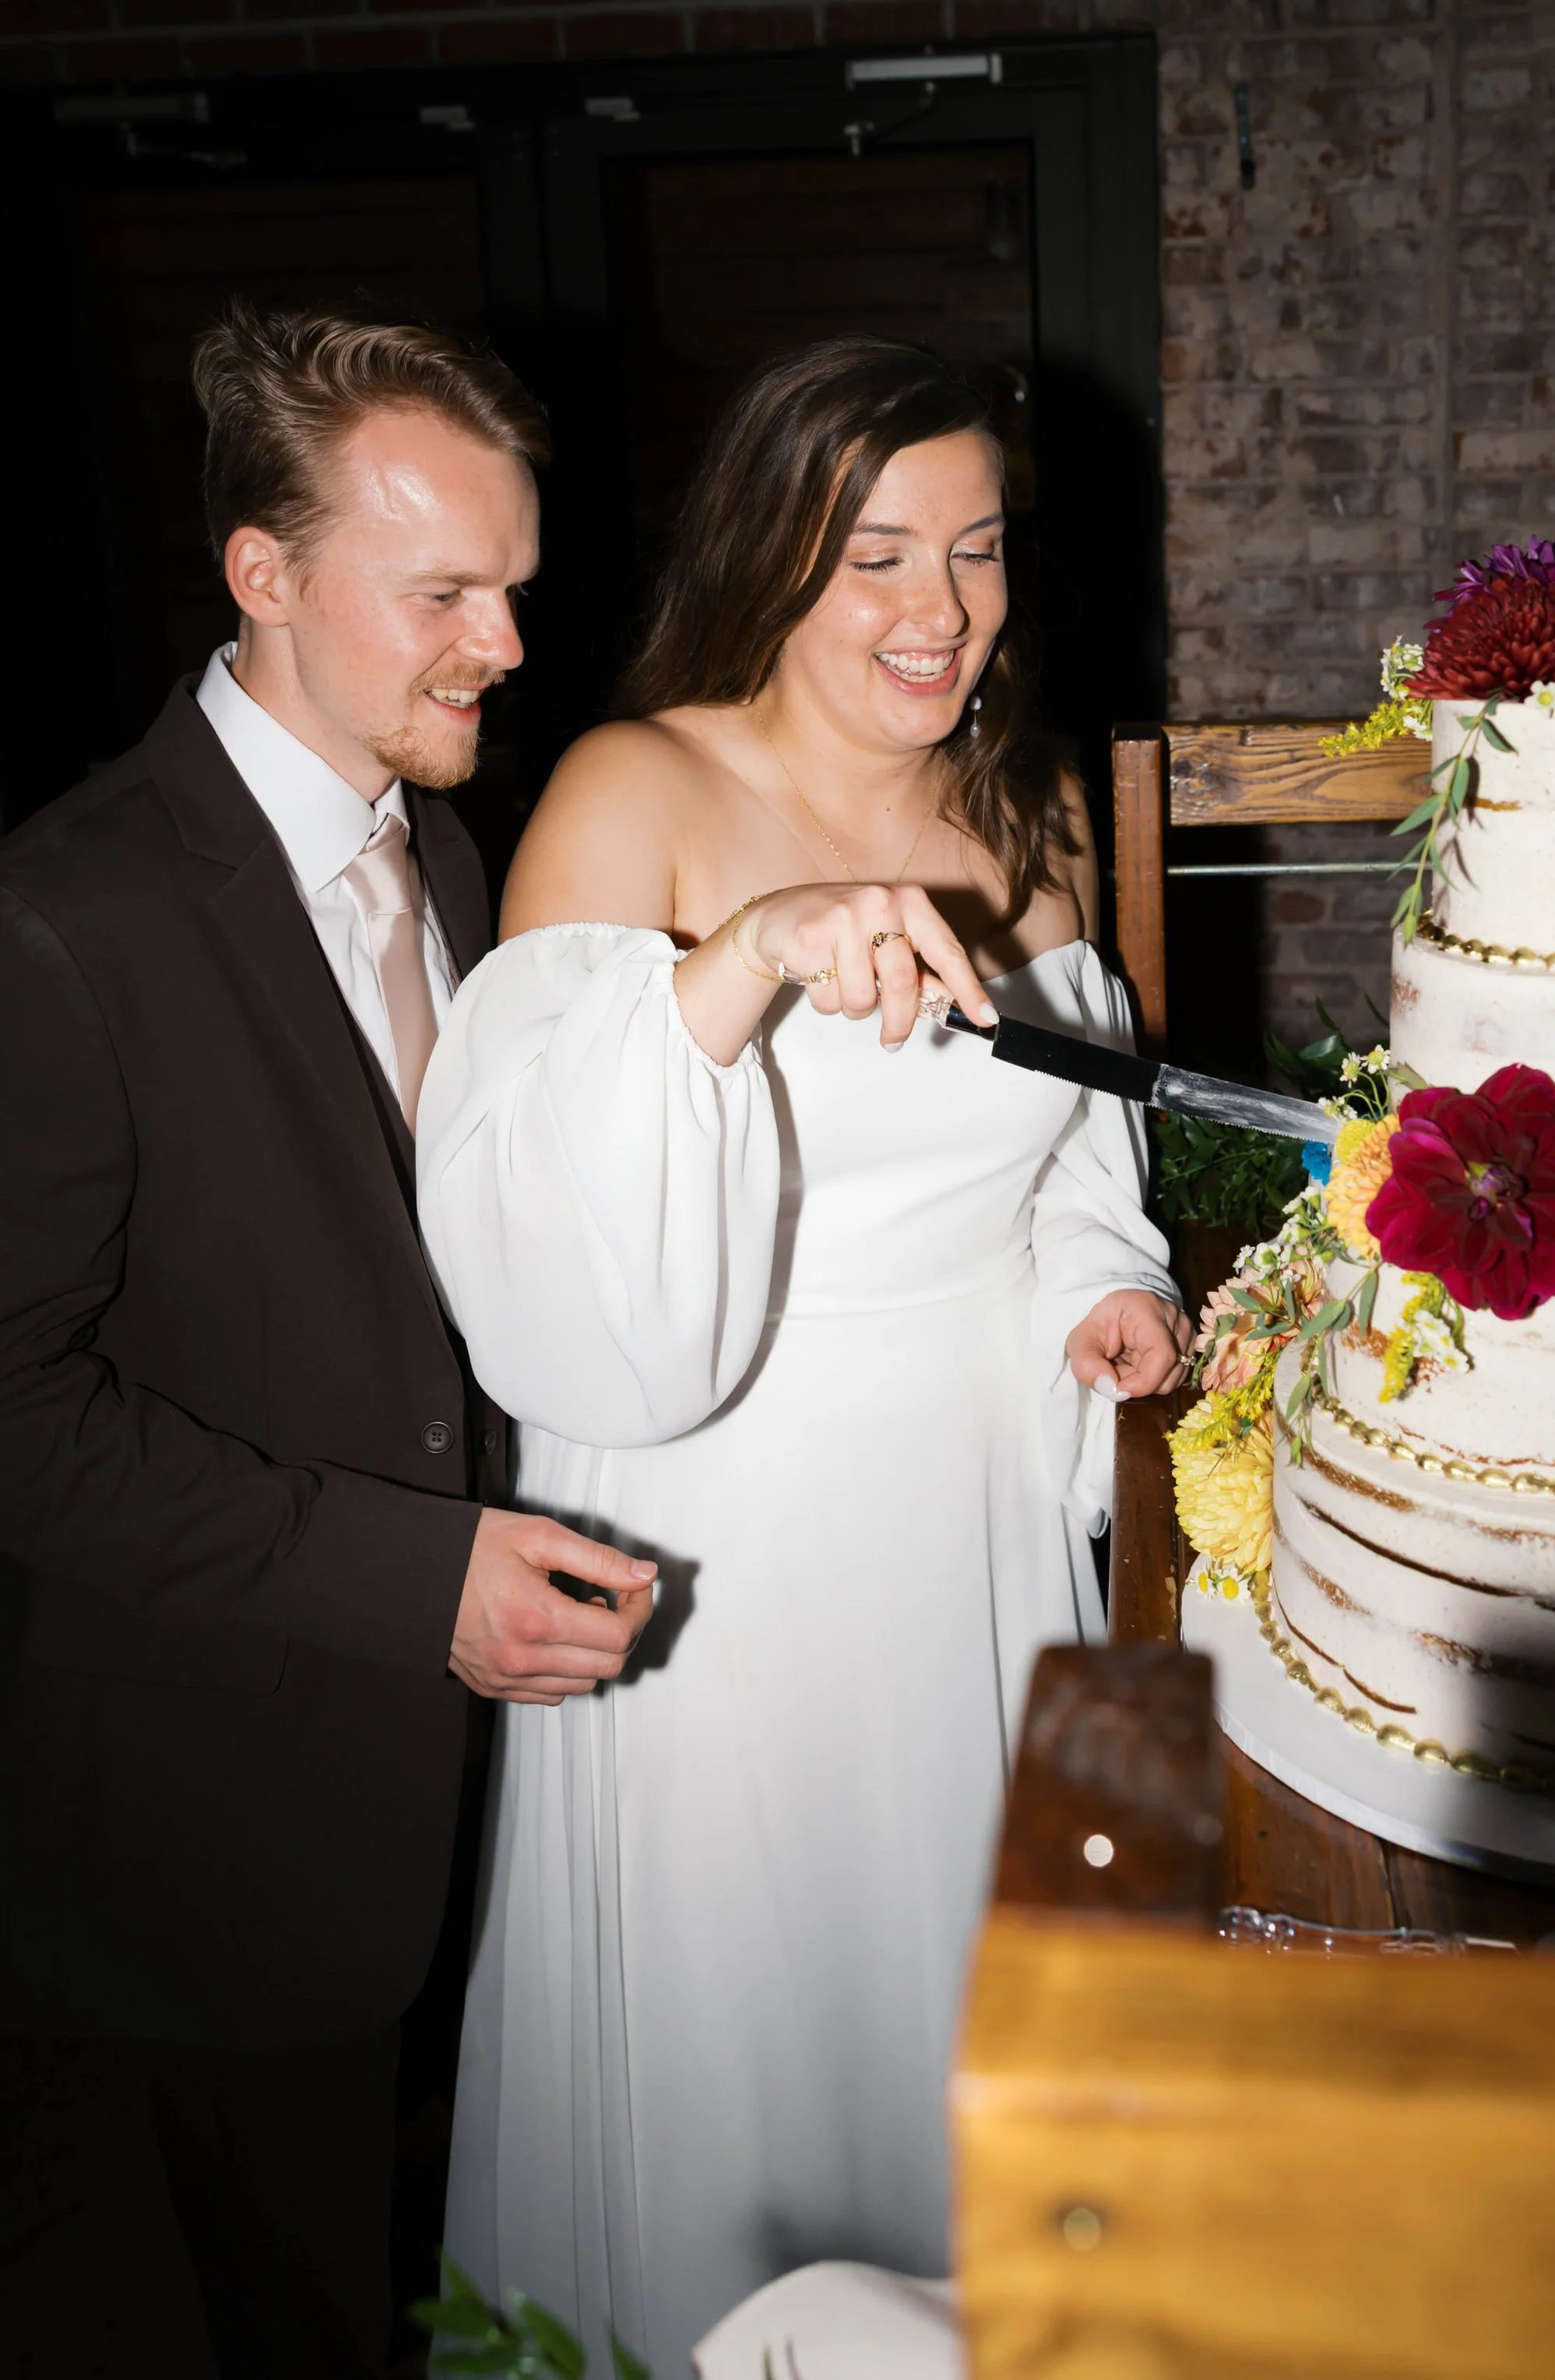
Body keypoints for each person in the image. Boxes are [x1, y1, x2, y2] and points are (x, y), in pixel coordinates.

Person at [417, 336, 1191, 2375]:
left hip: (973, 1537)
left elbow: (1065, 1165)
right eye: (873, 554)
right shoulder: (633, 785)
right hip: (721, 1546)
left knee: (947, 2003)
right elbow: (536, 1236)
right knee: (736, 2031)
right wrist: (739, 964)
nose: (934, 610)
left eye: (976, 549)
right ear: (771, 551)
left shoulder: (1027, 806)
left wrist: (1099, 1295)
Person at [0, 306, 659, 2380]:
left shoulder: (440, 843)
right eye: (443, 591)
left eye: (515, 588)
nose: (505, 645)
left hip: (470, 1776)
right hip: (229, 1806)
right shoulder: (63, 912)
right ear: (263, 575)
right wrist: (409, 1573)